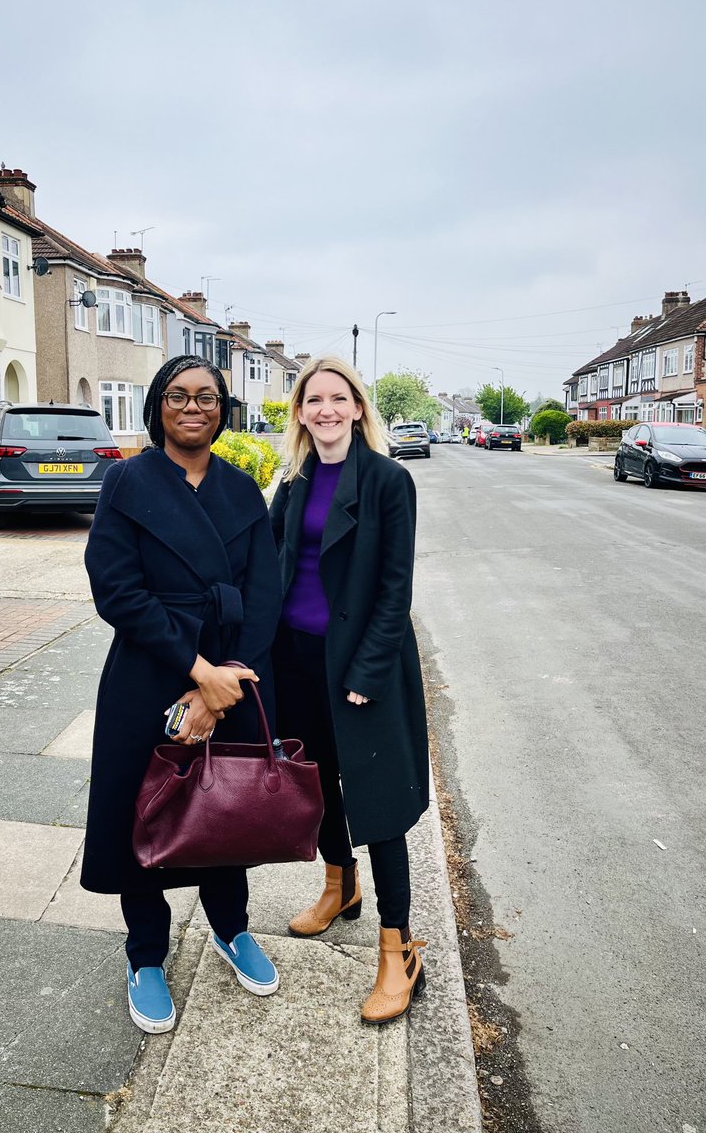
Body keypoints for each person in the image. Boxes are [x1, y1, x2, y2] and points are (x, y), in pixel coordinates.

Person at [81, 355, 283, 1035]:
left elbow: (263, 594)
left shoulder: (243, 491)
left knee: (224, 807)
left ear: (223, 409)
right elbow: (117, 589)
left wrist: (225, 681)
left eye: (206, 396)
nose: (192, 406)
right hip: (150, 670)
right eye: (178, 395)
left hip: (231, 672)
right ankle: (145, 957)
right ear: (158, 405)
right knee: (144, 815)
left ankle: (232, 929)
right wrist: (197, 670)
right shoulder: (127, 481)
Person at [269, 356, 430, 1025]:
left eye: (339, 398)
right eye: (315, 400)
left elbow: (395, 589)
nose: (327, 409)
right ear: (301, 412)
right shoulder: (295, 478)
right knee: (315, 782)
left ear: (359, 408)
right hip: (295, 658)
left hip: (362, 667)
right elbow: (270, 563)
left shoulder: (390, 481)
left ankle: (399, 950)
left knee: (379, 802)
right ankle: (340, 886)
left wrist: (366, 672)